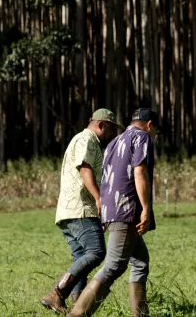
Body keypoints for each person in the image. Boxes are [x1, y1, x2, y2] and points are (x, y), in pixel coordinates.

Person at [70, 107, 159, 317]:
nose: (155, 135)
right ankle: (77, 314)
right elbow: (140, 170)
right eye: (156, 130)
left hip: (112, 210)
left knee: (140, 262)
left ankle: (141, 314)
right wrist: (145, 208)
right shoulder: (142, 138)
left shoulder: (113, 142)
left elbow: (107, 176)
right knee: (113, 266)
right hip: (127, 210)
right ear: (149, 125)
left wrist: (105, 212)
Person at [40, 108, 120, 314]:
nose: (113, 134)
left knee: (81, 258)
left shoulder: (86, 140)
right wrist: (98, 198)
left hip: (68, 211)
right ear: (101, 124)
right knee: (96, 252)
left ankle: (77, 305)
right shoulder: (87, 139)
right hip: (80, 209)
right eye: (111, 128)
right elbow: (84, 168)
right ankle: (57, 293)